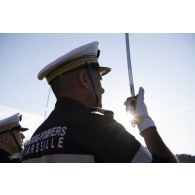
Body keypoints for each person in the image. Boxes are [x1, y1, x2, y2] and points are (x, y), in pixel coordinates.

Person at [22, 41, 178, 163]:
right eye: (99, 80)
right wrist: (145, 124)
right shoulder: (99, 129)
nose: (103, 90)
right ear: (84, 79)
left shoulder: (33, 142)